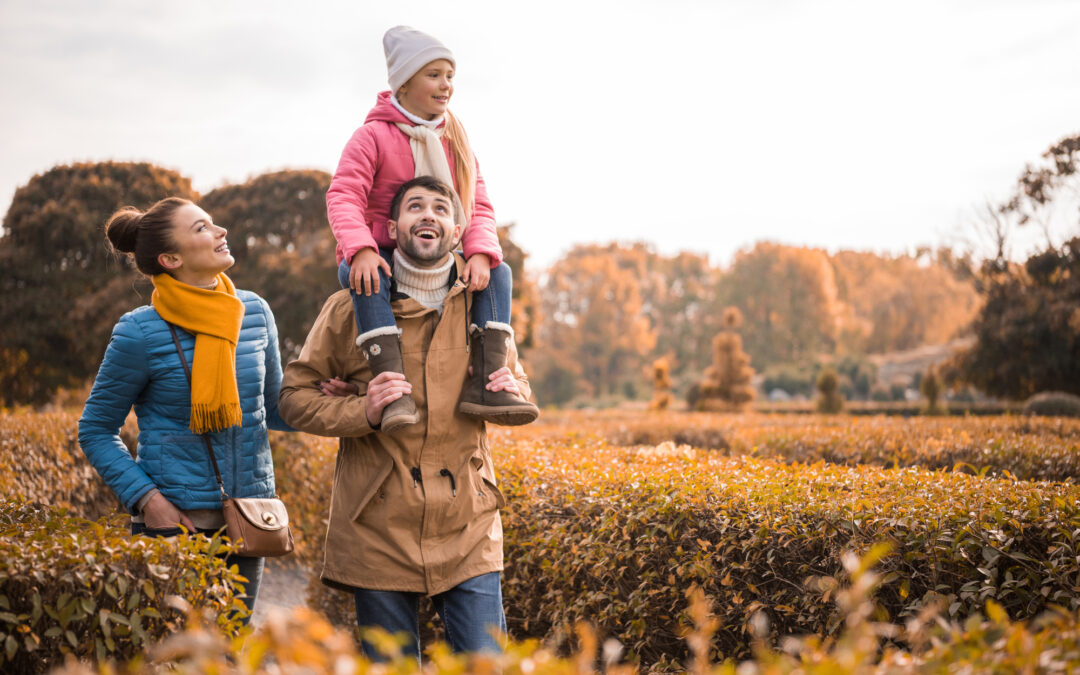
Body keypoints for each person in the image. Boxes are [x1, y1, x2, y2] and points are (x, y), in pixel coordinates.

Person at [280, 176, 536, 660]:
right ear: (393, 229)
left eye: (440, 208)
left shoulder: (486, 309)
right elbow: (293, 398)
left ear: (458, 231)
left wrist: (511, 387)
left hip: (469, 525)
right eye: (415, 206)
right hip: (379, 526)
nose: (428, 215)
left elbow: (520, 384)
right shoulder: (346, 308)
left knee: (487, 667)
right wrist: (364, 409)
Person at [78, 197, 301, 620]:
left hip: (248, 519)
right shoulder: (139, 331)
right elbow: (95, 429)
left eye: (214, 224)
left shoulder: (253, 313)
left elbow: (274, 410)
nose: (221, 232)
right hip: (175, 525)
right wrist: (147, 500)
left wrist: (333, 398)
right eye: (202, 228)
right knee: (174, 653)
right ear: (171, 258)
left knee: (231, 649)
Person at [327, 24, 537, 432]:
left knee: (499, 272)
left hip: (442, 251)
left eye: (450, 76)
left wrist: (478, 252)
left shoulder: (456, 138)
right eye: (434, 75)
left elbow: (478, 205)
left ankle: (490, 381)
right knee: (364, 279)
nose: (446, 86)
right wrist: (362, 248)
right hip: (385, 248)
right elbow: (343, 195)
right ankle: (393, 388)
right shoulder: (372, 135)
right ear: (404, 83)